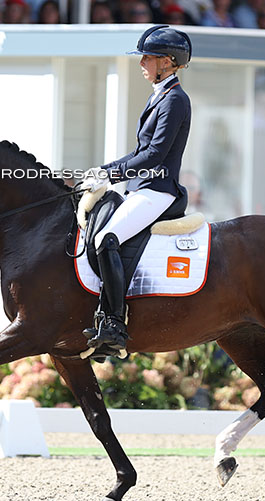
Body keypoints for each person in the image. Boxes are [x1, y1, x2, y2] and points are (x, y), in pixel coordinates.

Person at [80, 25, 192, 353]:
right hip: (142, 187)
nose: (142, 62)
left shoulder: (175, 100)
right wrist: (104, 171)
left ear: (169, 62)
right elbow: (139, 151)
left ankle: (114, 322)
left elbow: (155, 155)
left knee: (106, 239)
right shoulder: (160, 96)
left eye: (149, 57)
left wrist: (110, 174)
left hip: (158, 190)